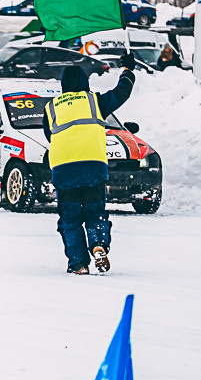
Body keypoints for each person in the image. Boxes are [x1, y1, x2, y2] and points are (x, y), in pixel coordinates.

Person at [42, 60, 137, 275]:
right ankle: (98, 245)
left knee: (70, 218)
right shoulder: (95, 102)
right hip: (93, 165)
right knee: (95, 212)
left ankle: (79, 264)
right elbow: (121, 93)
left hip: (64, 168)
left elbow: (49, 135)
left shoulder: (51, 107)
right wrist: (128, 71)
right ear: (85, 83)